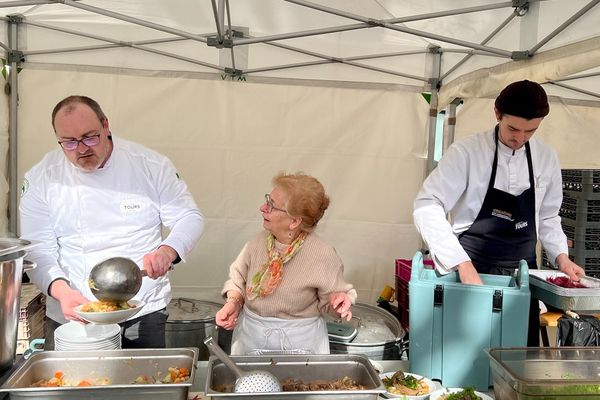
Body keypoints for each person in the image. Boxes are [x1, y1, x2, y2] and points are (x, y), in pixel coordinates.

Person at [19, 95, 204, 349]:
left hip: (142, 310)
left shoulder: (149, 165)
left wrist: (167, 251)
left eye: (89, 136)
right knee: (74, 385)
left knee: (143, 384)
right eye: (70, 142)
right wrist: (63, 292)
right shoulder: (42, 178)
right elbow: (37, 250)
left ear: (106, 125)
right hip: (73, 312)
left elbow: (188, 217)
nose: (82, 148)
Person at [413, 80, 585, 346]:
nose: (520, 138)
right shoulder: (467, 152)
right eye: (513, 128)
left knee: (516, 355)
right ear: (497, 114)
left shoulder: (546, 157)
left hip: (522, 275)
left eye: (530, 131)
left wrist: (562, 258)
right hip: (471, 269)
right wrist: (461, 264)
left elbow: (548, 217)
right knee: (464, 354)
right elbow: (427, 205)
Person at [215, 172, 356, 355]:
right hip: (251, 338)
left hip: (301, 345)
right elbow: (237, 282)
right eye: (267, 200)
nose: (262, 208)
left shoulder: (322, 254)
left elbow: (332, 305)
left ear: (294, 221)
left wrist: (339, 304)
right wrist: (233, 303)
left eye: (271, 205)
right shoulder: (256, 243)